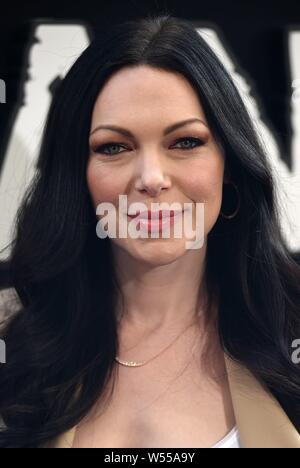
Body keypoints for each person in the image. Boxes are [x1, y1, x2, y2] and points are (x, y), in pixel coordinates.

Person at [0, 14, 299, 448]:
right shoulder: (16, 348)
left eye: (185, 142)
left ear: (229, 164)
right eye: (114, 147)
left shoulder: (289, 332)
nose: (151, 177)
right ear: (77, 176)